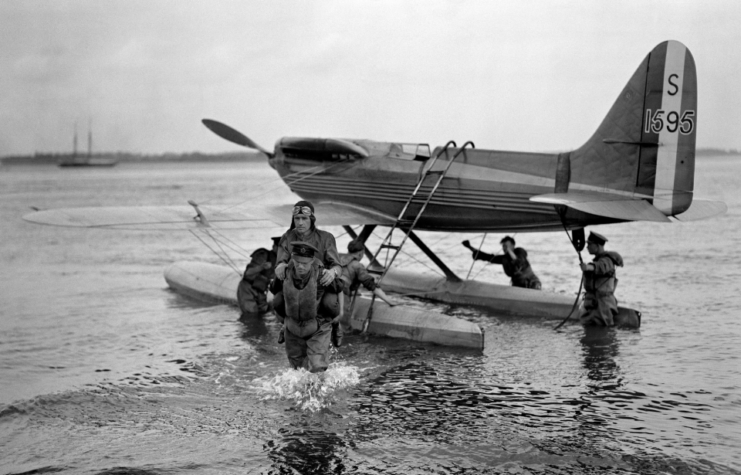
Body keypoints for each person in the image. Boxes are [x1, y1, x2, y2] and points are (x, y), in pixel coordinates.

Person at [269, 241, 344, 372]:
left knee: (317, 366)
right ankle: (284, 328)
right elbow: (274, 291)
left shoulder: (321, 274)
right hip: (293, 324)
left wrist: (340, 313)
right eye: (297, 262)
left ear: (311, 261)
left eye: (304, 263)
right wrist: (283, 320)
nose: (300, 266)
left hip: (317, 324)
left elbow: (340, 289)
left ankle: (334, 327)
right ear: (292, 259)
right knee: (297, 369)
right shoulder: (285, 273)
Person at [334, 238, 396, 347]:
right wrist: (388, 300)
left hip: (327, 291)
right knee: (345, 329)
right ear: (361, 253)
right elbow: (370, 285)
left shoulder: (338, 258)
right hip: (341, 294)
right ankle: (344, 349)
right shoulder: (358, 266)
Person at [579, 231, 623, 327]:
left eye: (590, 244)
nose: (587, 247)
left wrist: (587, 267)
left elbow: (600, 267)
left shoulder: (607, 260)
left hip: (603, 305)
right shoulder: (599, 259)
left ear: (598, 245)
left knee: (604, 332)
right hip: (592, 304)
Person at [462, 236, 541, 289]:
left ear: (513, 245)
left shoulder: (520, 251)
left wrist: (509, 250)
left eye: (506, 246)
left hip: (532, 284)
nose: (504, 248)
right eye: (503, 246)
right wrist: (469, 247)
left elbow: (519, 262)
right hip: (518, 287)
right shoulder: (504, 259)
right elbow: (487, 257)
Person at [236, 237, 281, 317]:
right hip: (248, 290)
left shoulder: (282, 260)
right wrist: (262, 267)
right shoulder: (263, 255)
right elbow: (248, 273)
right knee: (251, 316)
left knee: (262, 315)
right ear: (274, 247)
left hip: (261, 292)